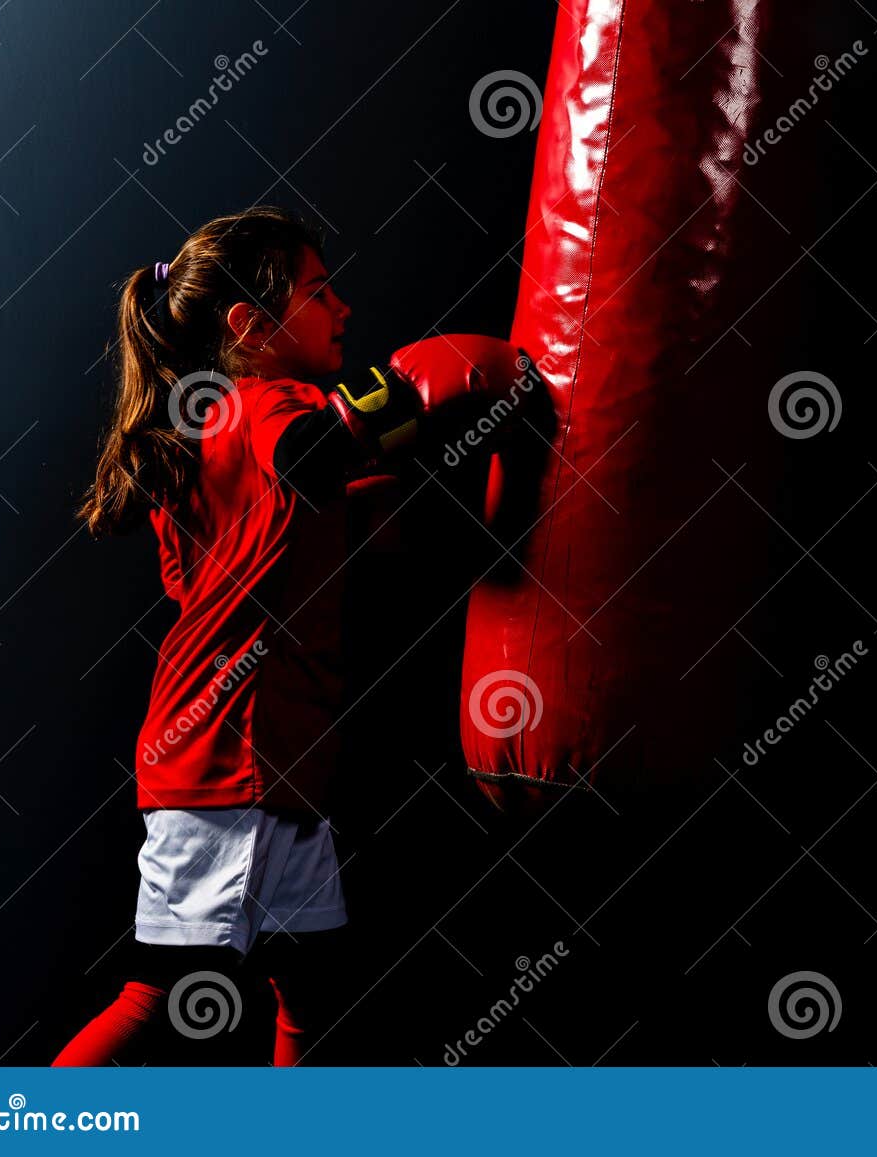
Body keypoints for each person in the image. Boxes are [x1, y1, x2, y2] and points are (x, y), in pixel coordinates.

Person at [56, 205, 530, 1065]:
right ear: (251, 323)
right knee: (161, 994)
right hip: (232, 754)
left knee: (316, 993)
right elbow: (312, 452)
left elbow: (235, 561)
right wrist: (411, 385)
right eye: (319, 291)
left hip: (271, 758)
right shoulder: (258, 403)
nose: (342, 306)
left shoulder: (199, 434)